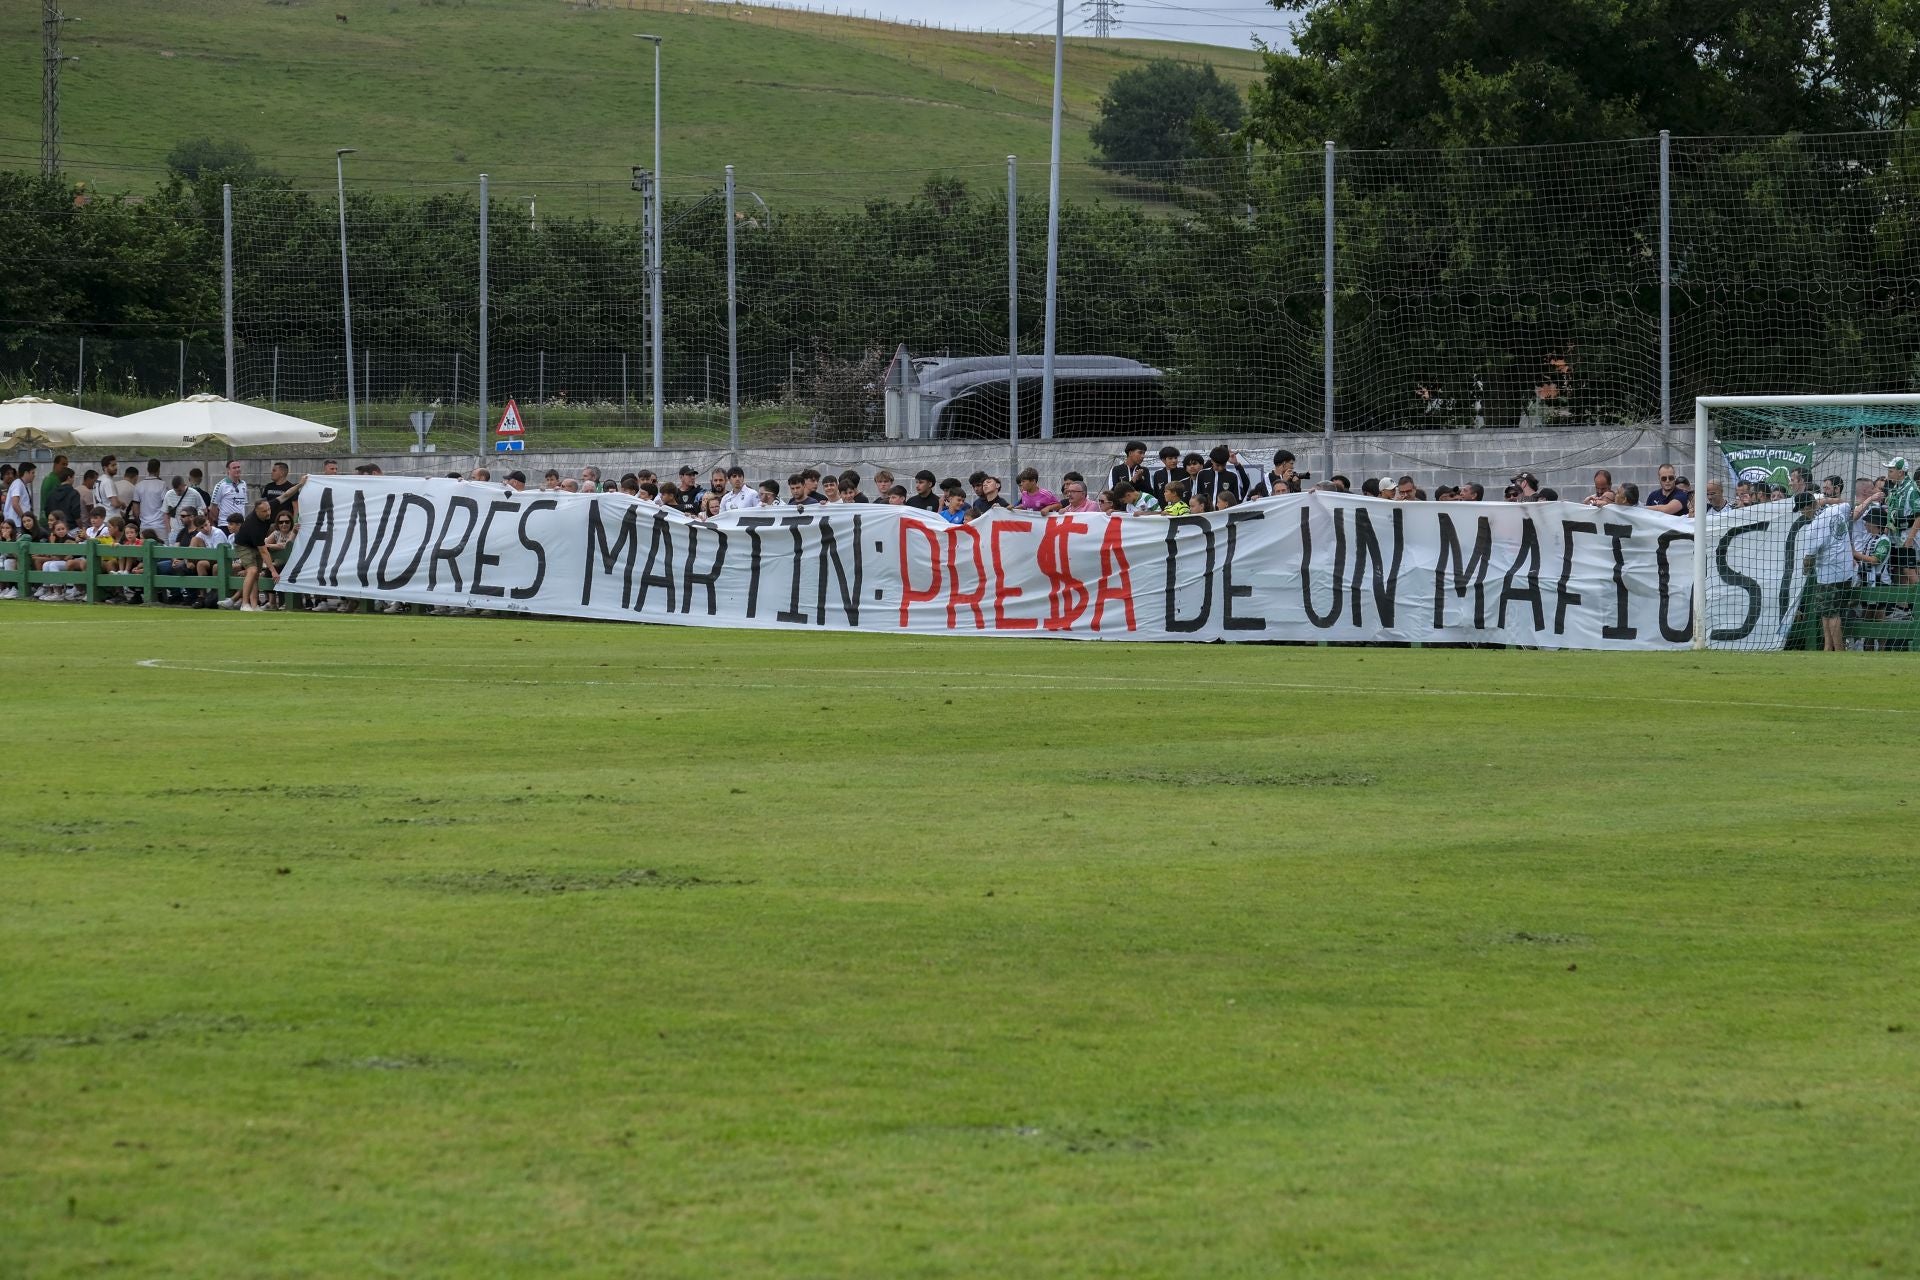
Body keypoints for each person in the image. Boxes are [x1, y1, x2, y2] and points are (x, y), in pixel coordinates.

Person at [1800, 488, 1855, 651]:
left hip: (1828, 575)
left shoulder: (1813, 527)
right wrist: (1828, 501)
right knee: (1827, 612)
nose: (1802, 513)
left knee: (1832, 614)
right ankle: (1827, 648)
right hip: (1846, 571)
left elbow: (1809, 558)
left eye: (1802, 509)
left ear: (1808, 507)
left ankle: (1838, 650)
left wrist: (1804, 570)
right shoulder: (1836, 510)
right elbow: (1847, 504)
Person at [1882, 457, 1918, 587]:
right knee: (1900, 569)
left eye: (1891, 471)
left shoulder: (1911, 489)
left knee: (1910, 570)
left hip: (1908, 533)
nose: (1888, 474)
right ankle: (1905, 605)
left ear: (1900, 472)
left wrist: (1910, 538)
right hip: (1896, 535)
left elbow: (1919, 516)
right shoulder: (1896, 488)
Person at [6, 461, 37, 528]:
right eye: (32, 473)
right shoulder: (18, 484)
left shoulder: (23, 485)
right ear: (26, 473)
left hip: (20, 523)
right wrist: (24, 518)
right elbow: (15, 503)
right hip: (17, 523)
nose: (34, 475)